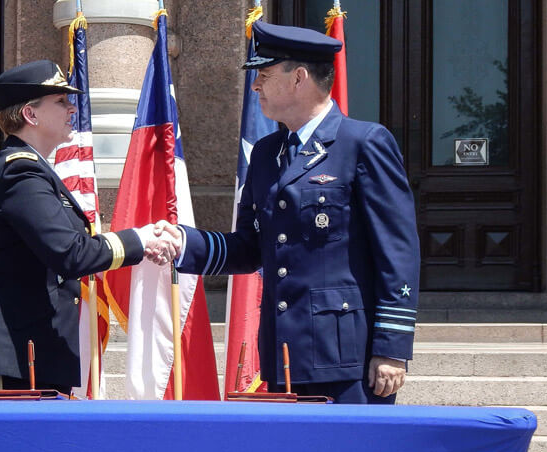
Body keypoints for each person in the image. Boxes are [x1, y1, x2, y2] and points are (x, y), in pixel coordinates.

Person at [158, 21, 420, 404]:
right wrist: (185, 243)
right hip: (283, 353)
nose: (255, 86)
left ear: (299, 78)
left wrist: (392, 347)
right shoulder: (266, 153)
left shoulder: (362, 143)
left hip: (346, 356)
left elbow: (397, 252)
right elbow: (250, 246)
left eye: (264, 75)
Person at [0, 60, 173, 394]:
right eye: (60, 101)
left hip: (32, 346)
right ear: (30, 115)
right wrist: (139, 239)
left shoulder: (34, 169)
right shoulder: (20, 172)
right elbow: (70, 253)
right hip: (7, 347)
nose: (71, 109)